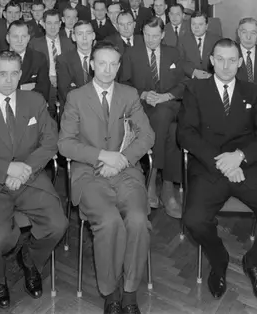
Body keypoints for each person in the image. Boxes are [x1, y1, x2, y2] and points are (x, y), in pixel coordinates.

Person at [178, 38, 257, 307]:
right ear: (211, 61)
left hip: (248, 167)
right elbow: (186, 134)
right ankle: (218, 259)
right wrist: (222, 163)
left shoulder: (254, 92)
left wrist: (240, 157)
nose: (226, 66)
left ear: (240, 62)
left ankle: (256, 262)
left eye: (232, 60)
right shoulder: (195, 89)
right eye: (220, 59)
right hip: (210, 167)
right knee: (194, 219)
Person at [0, 51, 68, 309]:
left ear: (20, 75)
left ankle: (30, 260)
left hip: (31, 178)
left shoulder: (35, 101)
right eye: (3, 74)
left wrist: (24, 170)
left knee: (58, 225)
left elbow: (50, 141)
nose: (8, 80)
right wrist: (7, 169)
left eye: (14, 74)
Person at [58, 41, 155, 314]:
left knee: (138, 220)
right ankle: (111, 291)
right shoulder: (76, 97)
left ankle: (130, 292)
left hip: (126, 172)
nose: (108, 69)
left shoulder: (129, 94)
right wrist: (103, 155)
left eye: (113, 64)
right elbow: (65, 144)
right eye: (102, 63)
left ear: (119, 66)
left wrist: (121, 159)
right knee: (110, 222)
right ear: (92, 64)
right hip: (90, 174)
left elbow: (147, 135)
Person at [120, 17, 186, 219]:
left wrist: (167, 96)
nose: (150, 39)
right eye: (147, 35)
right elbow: (123, 82)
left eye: (155, 36)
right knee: (172, 132)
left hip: (169, 104)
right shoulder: (131, 53)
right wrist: (144, 94)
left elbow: (183, 83)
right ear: (142, 33)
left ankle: (151, 177)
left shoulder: (173, 53)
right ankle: (167, 187)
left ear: (163, 35)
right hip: (143, 106)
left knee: (164, 113)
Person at [0, 21, 50, 103]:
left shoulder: (39, 58)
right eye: (15, 36)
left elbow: (43, 91)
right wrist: (23, 88)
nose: (20, 40)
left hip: (31, 106)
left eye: (23, 36)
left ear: (28, 38)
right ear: (8, 38)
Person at [29, 9, 75, 116]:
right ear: (43, 24)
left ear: (60, 24)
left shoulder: (70, 43)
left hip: (65, 88)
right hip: (43, 87)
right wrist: (48, 77)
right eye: (49, 23)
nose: (53, 27)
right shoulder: (34, 44)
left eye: (56, 23)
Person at [56, 20, 95, 105]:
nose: (84, 38)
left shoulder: (102, 58)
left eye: (88, 33)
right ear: (73, 37)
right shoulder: (63, 60)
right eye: (80, 34)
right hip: (75, 107)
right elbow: (66, 92)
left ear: (93, 36)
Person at [178, 11, 221, 80]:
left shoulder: (216, 40)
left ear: (206, 26)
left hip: (212, 78)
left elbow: (221, 61)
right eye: (193, 24)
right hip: (191, 79)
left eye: (200, 24)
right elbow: (179, 61)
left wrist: (212, 76)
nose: (196, 27)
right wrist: (194, 72)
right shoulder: (183, 40)